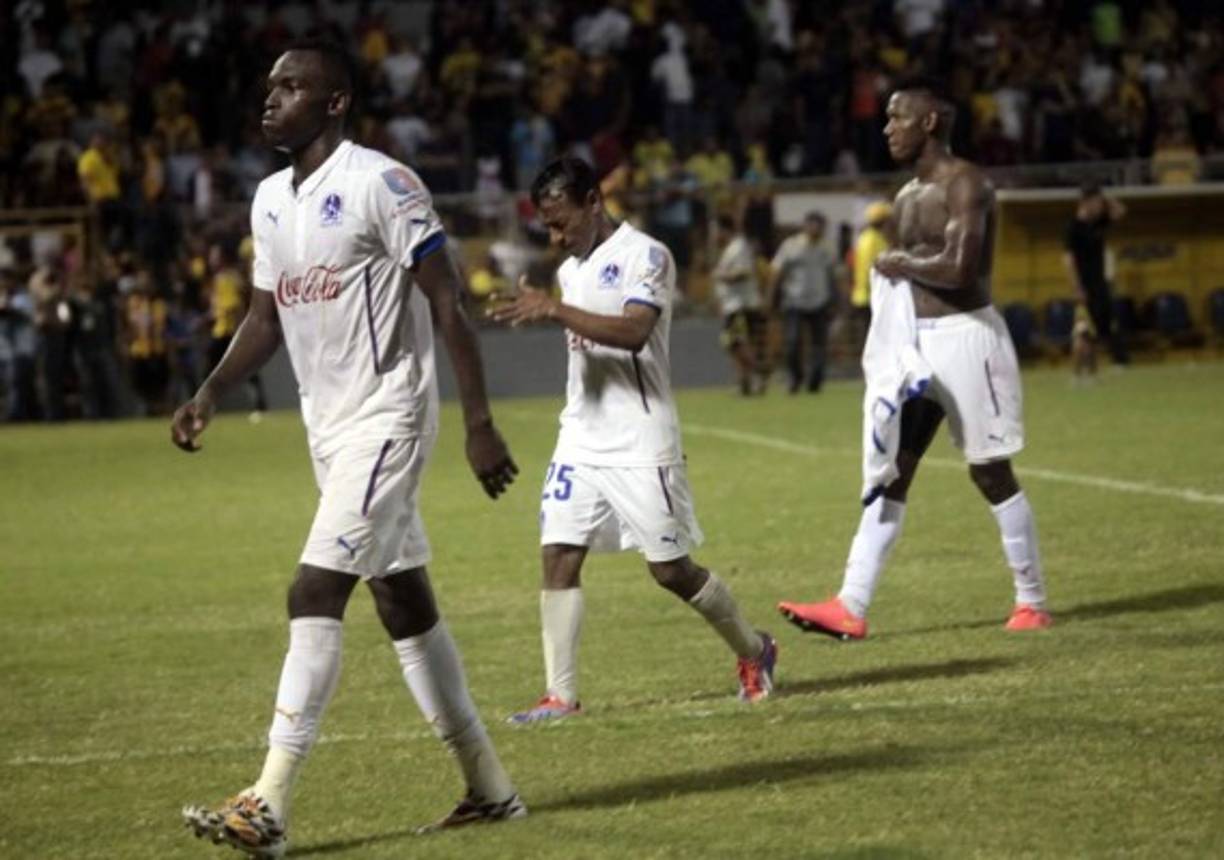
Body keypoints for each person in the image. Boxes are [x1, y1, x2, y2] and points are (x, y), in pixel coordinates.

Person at [174, 40, 525, 858]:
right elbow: (264, 318)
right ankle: (491, 788)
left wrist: (477, 422)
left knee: (312, 589)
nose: (271, 100)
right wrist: (210, 392)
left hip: (388, 418)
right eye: (269, 88)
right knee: (401, 600)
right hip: (328, 432)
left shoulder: (382, 182)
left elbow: (448, 303)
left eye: (292, 88)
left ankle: (267, 802)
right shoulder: (268, 200)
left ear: (334, 103)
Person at [489, 157, 778, 724]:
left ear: (594, 201)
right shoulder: (571, 270)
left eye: (561, 221)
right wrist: (557, 304)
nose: (556, 237)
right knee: (558, 556)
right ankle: (560, 696)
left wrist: (553, 308)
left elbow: (634, 331)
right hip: (580, 435)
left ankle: (754, 650)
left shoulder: (646, 256)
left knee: (670, 569)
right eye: (547, 226)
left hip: (641, 438)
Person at [778, 79, 1052, 638]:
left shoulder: (967, 183)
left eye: (897, 118)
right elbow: (909, 271)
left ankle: (1032, 600)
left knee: (989, 471)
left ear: (929, 123)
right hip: (916, 343)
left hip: (968, 337)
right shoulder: (903, 198)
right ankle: (850, 604)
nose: (887, 128)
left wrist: (902, 262)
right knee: (892, 468)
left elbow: (962, 270)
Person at [769, 211, 836, 393]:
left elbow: (834, 275)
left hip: (819, 301)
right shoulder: (790, 246)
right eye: (813, 225)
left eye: (820, 226)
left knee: (819, 345)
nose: (817, 230)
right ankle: (795, 377)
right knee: (792, 342)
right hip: (794, 300)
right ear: (806, 226)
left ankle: (815, 380)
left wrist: (836, 299)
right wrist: (771, 298)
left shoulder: (827, 248)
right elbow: (777, 272)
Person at [1063, 183, 1128, 365]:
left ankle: (1119, 362)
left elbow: (1121, 211)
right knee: (1085, 329)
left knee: (1108, 323)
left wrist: (1104, 198)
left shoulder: (1097, 223)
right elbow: (1068, 260)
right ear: (1085, 202)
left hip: (1101, 284)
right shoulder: (1073, 227)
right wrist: (1077, 287)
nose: (1100, 206)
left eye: (1100, 202)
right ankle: (1082, 366)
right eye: (1096, 202)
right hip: (1084, 286)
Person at [711, 215, 767, 395]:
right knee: (737, 342)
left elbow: (745, 272)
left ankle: (759, 371)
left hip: (740, 304)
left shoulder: (738, 247)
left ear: (724, 230)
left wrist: (723, 276)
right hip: (732, 304)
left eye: (716, 231)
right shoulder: (730, 249)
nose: (713, 236)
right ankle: (745, 382)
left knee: (734, 342)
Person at [850, 202, 892, 357]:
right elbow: (871, 269)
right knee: (873, 338)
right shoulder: (871, 240)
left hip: (871, 295)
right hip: (870, 297)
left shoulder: (870, 237)